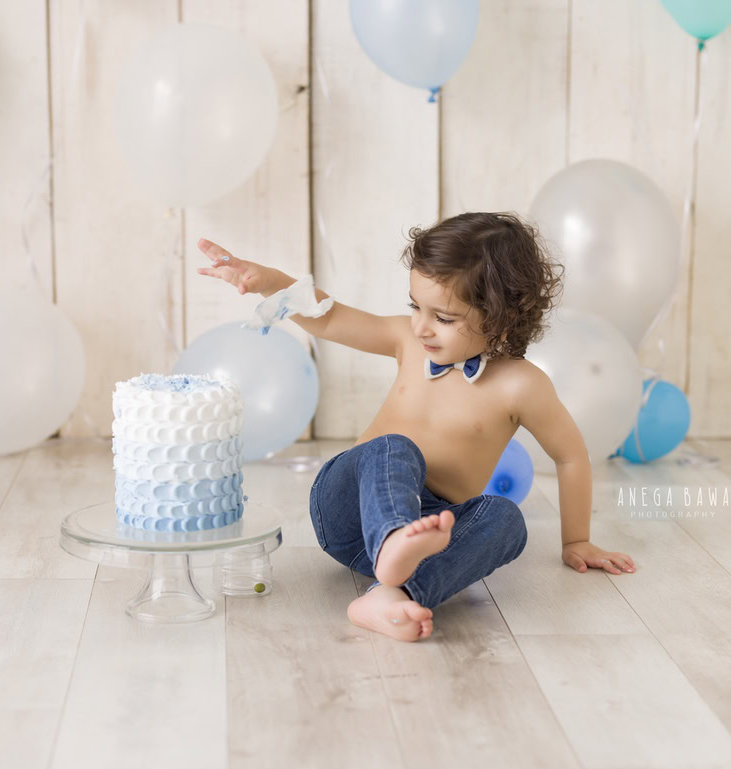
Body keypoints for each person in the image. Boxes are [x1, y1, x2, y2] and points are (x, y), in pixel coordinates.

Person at [196, 211, 635, 643]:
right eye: (415, 307)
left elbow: (570, 455)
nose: (421, 325)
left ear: (503, 316)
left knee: (507, 520)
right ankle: (390, 542)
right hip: (350, 506)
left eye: (443, 317)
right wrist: (270, 282)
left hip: (431, 532)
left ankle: (391, 594)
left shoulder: (521, 385)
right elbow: (329, 319)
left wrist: (577, 540)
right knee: (396, 447)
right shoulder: (408, 342)